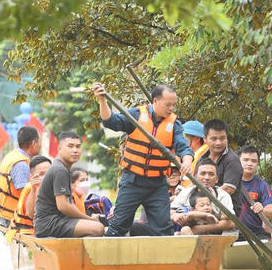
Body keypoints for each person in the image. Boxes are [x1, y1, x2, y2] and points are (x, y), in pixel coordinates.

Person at [92, 82, 193, 236]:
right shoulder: (137, 115)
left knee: (164, 229)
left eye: (174, 105)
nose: (171, 108)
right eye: (168, 104)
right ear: (155, 101)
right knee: (119, 225)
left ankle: (165, 259)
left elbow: (183, 146)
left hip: (157, 184)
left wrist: (186, 161)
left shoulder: (174, 124)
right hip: (133, 180)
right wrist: (102, 100)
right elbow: (110, 121)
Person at [34, 132, 106, 238]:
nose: (75, 150)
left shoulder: (63, 168)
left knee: (96, 224)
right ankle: (79, 254)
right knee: (98, 228)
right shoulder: (60, 170)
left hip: (56, 220)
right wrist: (88, 219)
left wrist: (86, 218)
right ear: (59, 148)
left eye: (78, 147)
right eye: (70, 146)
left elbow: (68, 204)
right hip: (49, 223)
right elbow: (63, 206)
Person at [0, 125, 41, 231]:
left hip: (4, 212)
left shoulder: (13, 155)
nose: (40, 145)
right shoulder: (21, 164)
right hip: (11, 216)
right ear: (34, 143)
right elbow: (24, 194)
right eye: (40, 142)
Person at [172, 162, 236, 236]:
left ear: (217, 179)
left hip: (215, 238)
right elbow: (171, 211)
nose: (206, 178)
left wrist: (200, 229)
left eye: (211, 174)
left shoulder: (223, 195)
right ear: (195, 177)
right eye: (203, 173)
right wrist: (175, 216)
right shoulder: (186, 193)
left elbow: (230, 223)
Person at [235, 145, 272, 240]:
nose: (249, 163)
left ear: (257, 164)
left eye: (253, 161)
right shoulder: (229, 182)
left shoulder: (262, 185)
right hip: (233, 233)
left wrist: (262, 209)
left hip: (256, 234)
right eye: (245, 160)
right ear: (238, 161)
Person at [196, 119, 240, 195]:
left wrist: (205, 196)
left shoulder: (232, 160)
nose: (218, 143)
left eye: (222, 138)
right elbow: (195, 183)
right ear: (205, 139)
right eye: (214, 139)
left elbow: (229, 189)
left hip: (226, 206)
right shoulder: (201, 160)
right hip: (202, 205)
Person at [10, 155, 51, 236]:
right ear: (31, 177)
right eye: (41, 174)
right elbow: (31, 214)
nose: (46, 177)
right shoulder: (31, 189)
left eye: (49, 173)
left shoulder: (55, 187)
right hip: (29, 232)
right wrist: (33, 188)